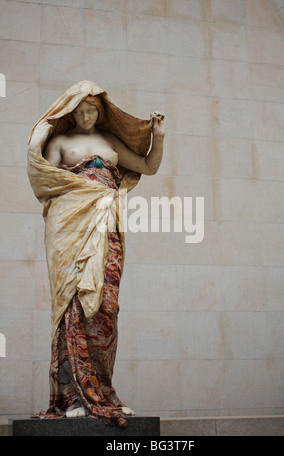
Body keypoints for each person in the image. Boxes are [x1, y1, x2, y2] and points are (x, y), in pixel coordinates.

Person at [28, 80, 165, 427]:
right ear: (70, 111)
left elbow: (148, 167)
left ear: (100, 111)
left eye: (92, 109)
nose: (87, 115)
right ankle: (72, 397)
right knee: (73, 304)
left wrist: (159, 136)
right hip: (70, 227)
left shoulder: (111, 141)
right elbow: (42, 179)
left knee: (106, 306)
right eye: (80, 110)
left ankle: (102, 392)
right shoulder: (60, 141)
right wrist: (37, 136)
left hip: (107, 226)